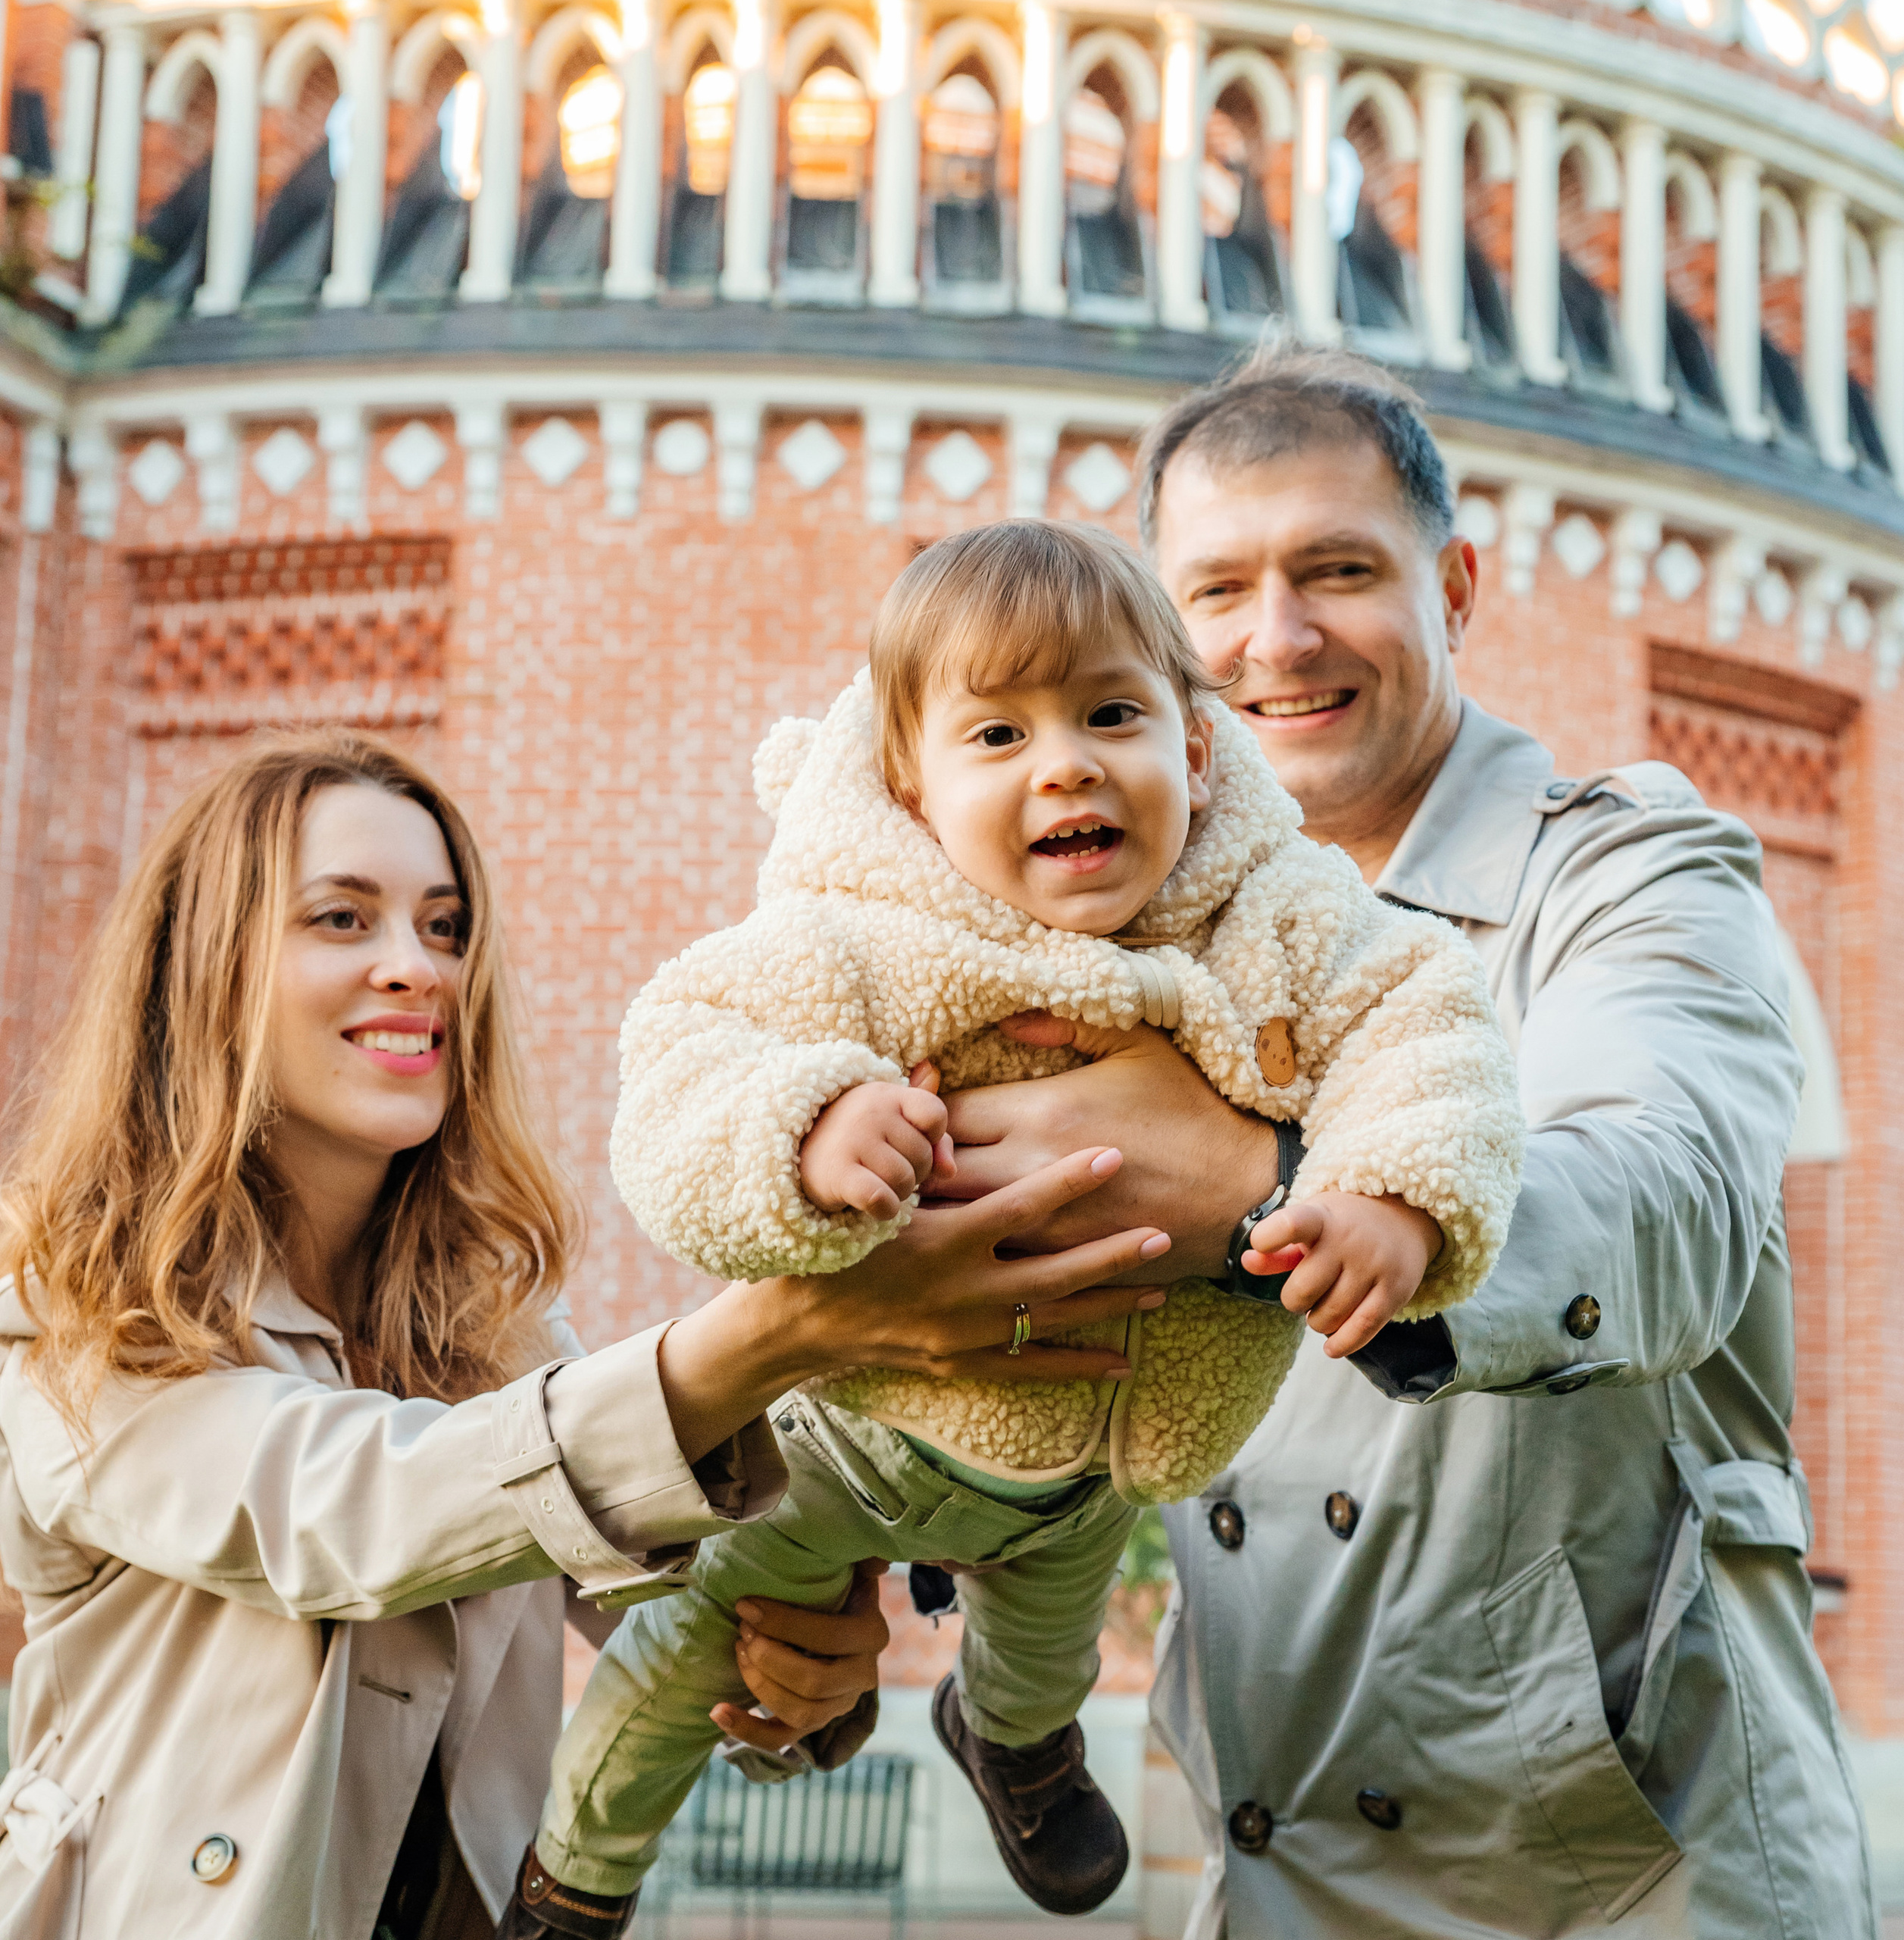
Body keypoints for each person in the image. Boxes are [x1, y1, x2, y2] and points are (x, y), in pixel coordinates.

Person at [918, 346, 1877, 1937]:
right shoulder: (1120, 943)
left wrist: (1263, 1189)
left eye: (1337, 571)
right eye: (1215, 591)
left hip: (1636, 1862)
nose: (1274, 639)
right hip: (1277, 1855)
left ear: (1456, 584)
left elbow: (1662, 1191)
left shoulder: (1631, 870)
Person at [509, 520, 1523, 1932]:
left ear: (1200, 750)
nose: (1068, 764)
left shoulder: (1279, 920)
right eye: (999, 735)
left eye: (1114, 714)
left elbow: (1423, 1027)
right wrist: (805, 1124)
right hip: (836, 1441)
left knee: (1040, 1660)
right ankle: (573, 1884)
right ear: (909, 788)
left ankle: (1013, 1747)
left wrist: (1394, 1193)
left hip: (1090, 1462)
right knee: (694, 1656)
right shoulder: (856, 935)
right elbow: (683, 1062)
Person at [0, 731, 1167, 1940]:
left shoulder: (487, 1328)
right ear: (203, 964)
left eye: (446, 928)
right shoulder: (75, 1304)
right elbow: (353, 1514)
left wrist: (799, 1653)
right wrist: (782, 1330)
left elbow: (655, 1581)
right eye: (342, 920)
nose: (417, 968)